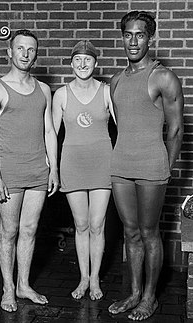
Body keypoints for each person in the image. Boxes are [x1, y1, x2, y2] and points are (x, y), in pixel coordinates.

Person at [108, 11, 184, 321]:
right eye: (128, 34)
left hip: (152, 165)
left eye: (140, 34)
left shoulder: (163, 76)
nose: (133, 40)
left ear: (150, 38)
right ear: (122, 37)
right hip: (121, 164)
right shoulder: (115, 79)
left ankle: (150, 297)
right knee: (130, 233)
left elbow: (176, 129)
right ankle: (135, 292)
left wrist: (165, 166)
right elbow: (120, 124)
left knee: (150, 232)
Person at [0, 29, 59, 312]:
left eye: (31, 50)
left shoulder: (43, 89)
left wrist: (54, 169)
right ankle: (8, 288)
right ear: (9, 53)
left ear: (36, 55)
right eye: (20, 49)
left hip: (38, 169)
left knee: (30, 229)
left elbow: (49, 130)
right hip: (10, 170)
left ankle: (24, 284)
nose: (26, 54)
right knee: (10, 231)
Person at [52, 40, 116, 301]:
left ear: (95, 63)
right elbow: (51, 134)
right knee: (80, 224)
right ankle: (83, 278)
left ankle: (96, 279)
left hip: (103, 163)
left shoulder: (107, 91)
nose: (82, 64)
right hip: (73, 163)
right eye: (77, 60)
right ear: (70, 64)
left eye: (87, 60)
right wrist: (51, 168)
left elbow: (123, 126)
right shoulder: (62, 94)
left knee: (97, 225)